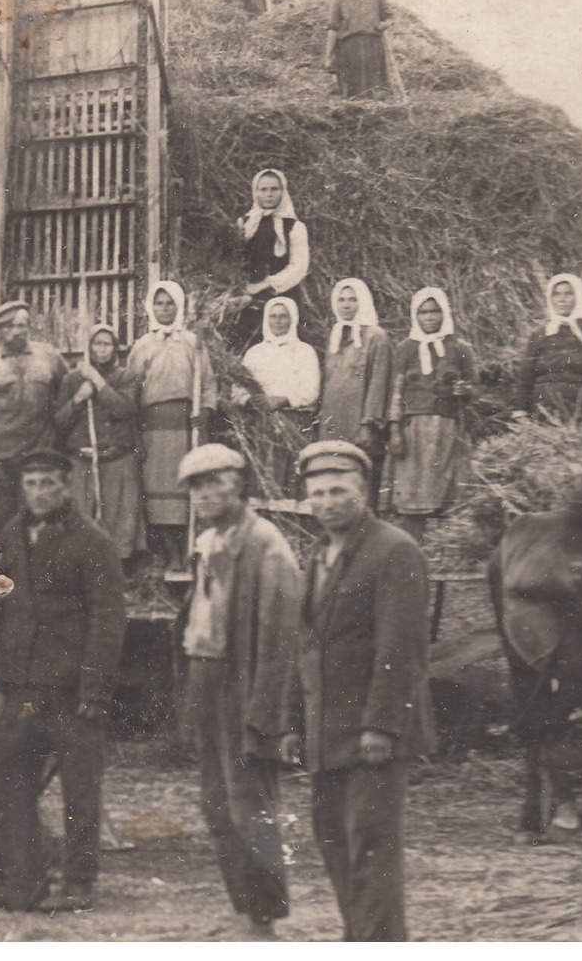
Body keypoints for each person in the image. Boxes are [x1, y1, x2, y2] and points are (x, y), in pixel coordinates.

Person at [282, 441, 434, 942]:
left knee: (371, 848)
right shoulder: (317, 555)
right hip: (327, 732)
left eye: (338, 490)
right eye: (317, 493)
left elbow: (402, 646)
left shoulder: (394, 550)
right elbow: (304, 645)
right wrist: (292, 723)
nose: (327, 502)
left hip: (372, 735)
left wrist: (381, 724)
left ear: (363, 492)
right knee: (334, 844)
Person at [0, 448, 126, 913]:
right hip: (20, 688)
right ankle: (26, 882)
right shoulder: (10, 535)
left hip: (70, 691)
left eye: (48, 483)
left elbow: (108, 619)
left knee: (79, 789)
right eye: (31, 483)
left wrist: (96, 690)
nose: (38, 492)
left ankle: (79, 883)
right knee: (6, 777)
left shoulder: (93, 542)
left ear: (67, 486)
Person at [177, 444, 301, 940]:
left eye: (215, 482)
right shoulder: (212, 541)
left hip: (243, 685)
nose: (205, 493)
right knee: (217, 805)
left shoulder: (265, 545)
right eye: (196, 486)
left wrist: (267, 712)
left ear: (239, 484)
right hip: (207, 679)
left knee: (251, 807)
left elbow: (281, 639)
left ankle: (264, 921)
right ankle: (244, 912)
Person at [126, 281, 217, 569]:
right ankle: (166, 552)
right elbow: (131, 391)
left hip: (185, 427)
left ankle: (186, 550)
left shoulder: (192, 342)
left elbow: (208, 382)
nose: (164, 309)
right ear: (151, 308)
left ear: (179, 307)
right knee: (157, 489)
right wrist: (136, 432)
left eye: (170, 303)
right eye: (159, 303)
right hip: (153, 428)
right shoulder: (142, 346)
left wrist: (205, 409)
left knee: (185, 485)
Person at [0, 300, 67, 538]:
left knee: (42, 525)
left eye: (23, 325)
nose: (18, 332)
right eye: (10, 327)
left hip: (39, 458)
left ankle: (39, 576)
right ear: (0, 330)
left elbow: (68, 394)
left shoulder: (49, 358)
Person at [388, 288, 476, 545]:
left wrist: (466, 390)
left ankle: (444, 550)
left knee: (446, 489)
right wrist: (394, 430)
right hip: (413, 430)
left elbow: (475, 387)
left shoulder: (460, 348)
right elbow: (396, 391)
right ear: (415, 315)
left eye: (435, 311)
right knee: (412, 496)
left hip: (447, 429)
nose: (429, 317)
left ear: (444, 313)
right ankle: (411, 549)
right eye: (423, 312)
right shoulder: (405, 349)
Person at [54, 324, 146, 562]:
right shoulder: (72, 379)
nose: (101, 350)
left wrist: (98, 383)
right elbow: (59, 422)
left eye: (106, 344)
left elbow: (123, 409)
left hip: (115, 458)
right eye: (97, 344)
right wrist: (78, 399)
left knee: (118, 520)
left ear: (115, 348)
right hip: (82, 460)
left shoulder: (128, 377)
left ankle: (118, 569)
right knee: (80, 520)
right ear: (89, 347)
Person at [232, 296, 320, 493]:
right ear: (266, 319)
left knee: (293, 478)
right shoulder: (254, 353)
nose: (278, 321)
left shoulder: (305, 352)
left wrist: (282, 399)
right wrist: (251, 401)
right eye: (273, 316)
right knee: (264, 478)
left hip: (295, 421)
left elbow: (311, 390)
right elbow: (238, 389)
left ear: (292, 319)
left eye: (283, 316)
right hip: (261, 422)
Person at [512, 273, 582, 423]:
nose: (562, 299)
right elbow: (525, 377)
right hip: (544, 410)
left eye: (568, 293)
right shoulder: (540, 335)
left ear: (578, 296)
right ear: (550, 299)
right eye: (556, 294)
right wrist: (521, 411)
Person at [318, 277, 392, 505]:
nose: (346, 305)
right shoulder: (335, 336)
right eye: (341, 299)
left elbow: (380, 383)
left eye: (352, 299)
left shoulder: (376, 337)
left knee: (362, 486)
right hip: (333, 426)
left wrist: (368, 424)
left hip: (361, 428)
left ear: (363, 302)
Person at [233, 169, 310, 351]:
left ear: (283, 192)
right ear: (255, 192)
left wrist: (267, 284)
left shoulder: (294, 227)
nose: (268, 194)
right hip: (247, 298)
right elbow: (233, 261)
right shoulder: (243, 224)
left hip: (282, 296)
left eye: (274, 189)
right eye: (263, 189)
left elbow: (298, 267)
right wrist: (241, 288)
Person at [325, 0, 393, 99]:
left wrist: (385, 24)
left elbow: (389, 16)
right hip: (348, 49)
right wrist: (328, 56)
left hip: (373, 46)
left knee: (377, 91)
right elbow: (332, 27)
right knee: (353, 93)